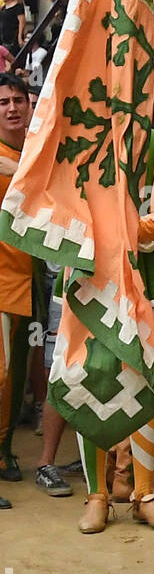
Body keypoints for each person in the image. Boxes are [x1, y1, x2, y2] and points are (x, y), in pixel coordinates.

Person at [0, 73, 35, 510]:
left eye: (18, 100)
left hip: (29, 277)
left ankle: (5, 449)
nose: (11, 107)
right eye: (3, 101)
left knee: (17, 373)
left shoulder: (38, 151)